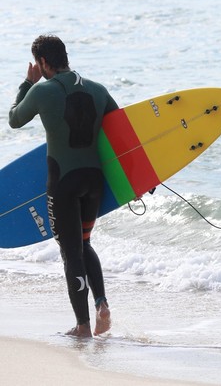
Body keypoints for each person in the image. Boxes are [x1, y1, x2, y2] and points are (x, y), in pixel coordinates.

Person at [9, 35, 117, 338]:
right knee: (84, 242)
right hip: (94, 179)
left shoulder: (42, 91)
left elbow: (15, 119)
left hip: (64, 183)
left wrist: (26, 85)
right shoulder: (99, 89)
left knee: (71, 253)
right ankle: (102, 304)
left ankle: (83, 325)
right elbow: (119, 130)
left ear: (43, 62)